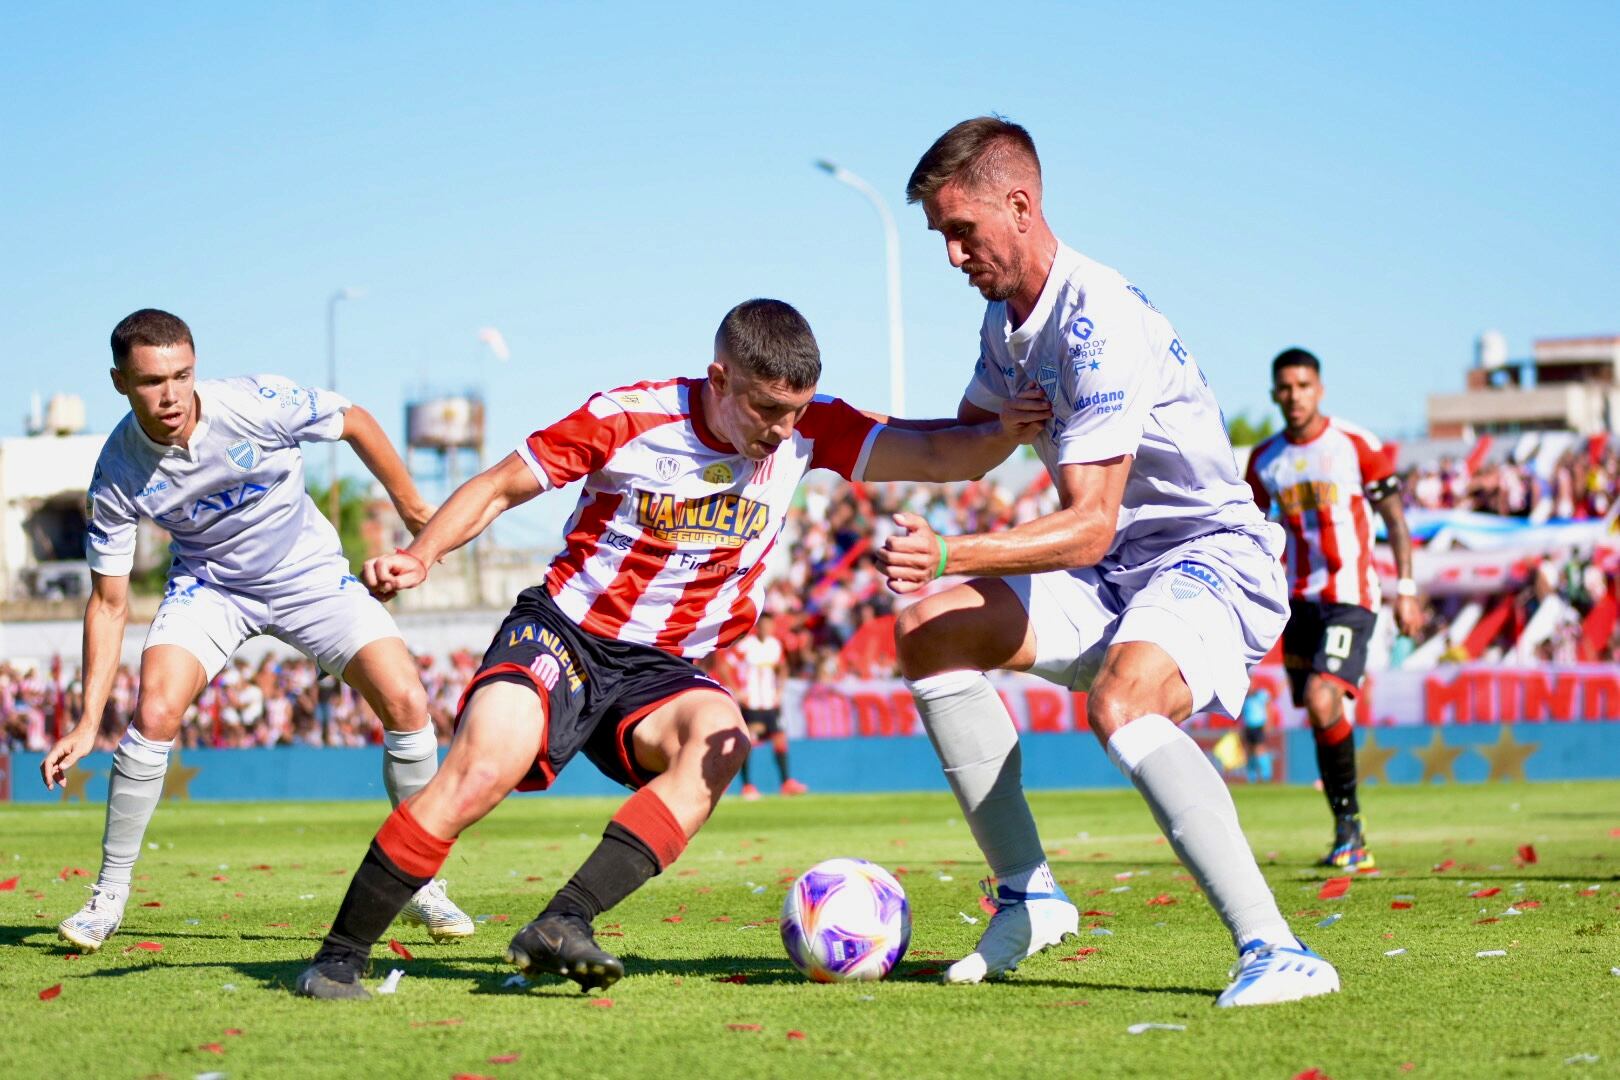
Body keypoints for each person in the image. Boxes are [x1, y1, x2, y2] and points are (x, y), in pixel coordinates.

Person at [295, 298, 1048, 999]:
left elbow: (944, 456)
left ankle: (566, 920)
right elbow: (497, 487)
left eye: (793, 411)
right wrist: (422, 555)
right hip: (564, 633)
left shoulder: (813, 429)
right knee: (485, 764)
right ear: (719, 378)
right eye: (764, 408)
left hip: (662, 669)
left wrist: (1011, 426)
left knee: (722, 742)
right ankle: (337, 958)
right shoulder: (627, 417)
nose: (781, 430)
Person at [877, 117, 1339, 1006]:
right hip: (1115, 568)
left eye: (960, 231)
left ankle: (1278, 950)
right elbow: (970, 445)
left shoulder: (1096, 321)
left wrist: (948, 549)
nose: (951, 255)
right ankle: (1029, 897)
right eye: (940, 236)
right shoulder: (1005, 321)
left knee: (1121, 700)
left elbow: (1087, 524)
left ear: (1020, 205)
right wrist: (817, 438)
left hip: (1209, 555)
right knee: (928, 631)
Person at [42, 309, 473, 951]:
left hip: (308, 574)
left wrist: (415, 512)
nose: (171, 395)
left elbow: (353, 419)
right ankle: (107, 896)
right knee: (155, 711)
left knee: (408, 701)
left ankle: (422, 884)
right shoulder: (117, 473)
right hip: (211, 589)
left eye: (182, 375)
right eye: (151, 381)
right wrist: (85, 722)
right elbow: (107, 604)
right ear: (119, 382)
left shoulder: (256, 403)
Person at [1245, 348, 1421, 869]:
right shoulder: (1264, 460)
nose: (1294, 395)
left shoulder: (1356, 446)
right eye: (1285, 387)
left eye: (1303, 385)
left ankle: (1352, 831)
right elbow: (1251, 529)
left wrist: (1406, 588)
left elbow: (1396, 520)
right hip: (1297, 605)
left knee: (1325, 701)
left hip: (1350, 598)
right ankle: (1345, 831)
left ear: (1319, 389)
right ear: (1275, 393)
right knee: (1318, 714)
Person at [733, 614, 801, 799]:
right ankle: (747, 785)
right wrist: (737, 689)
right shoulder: (746, 646)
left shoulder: (775, 645)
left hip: (770, 701)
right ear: (758, 627)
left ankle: (786, 783)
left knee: (779, 738)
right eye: (763, 625)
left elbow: (783, 667)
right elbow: (726, 664)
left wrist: (780, 688)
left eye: (770, 625)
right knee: (748, 742)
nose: (766, 629)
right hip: (752, 701)